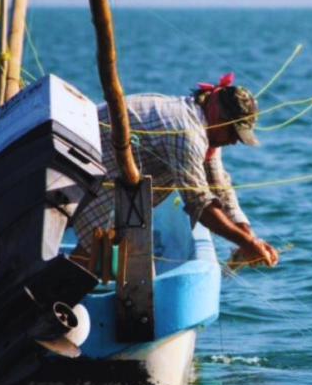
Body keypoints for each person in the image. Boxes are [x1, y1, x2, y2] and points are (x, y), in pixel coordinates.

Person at [72, 74, 279, 268]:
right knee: (99, 242)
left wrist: (250, 238)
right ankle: (49, 297)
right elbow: (199, 203)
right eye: (233, 133)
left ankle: (57, 289)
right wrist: (245, 242)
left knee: (102, 240)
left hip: (109, 163)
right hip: (86, 153)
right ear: (220, 117)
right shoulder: (188, 133)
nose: (234, 141)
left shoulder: (207, 130)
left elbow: (220, 188)